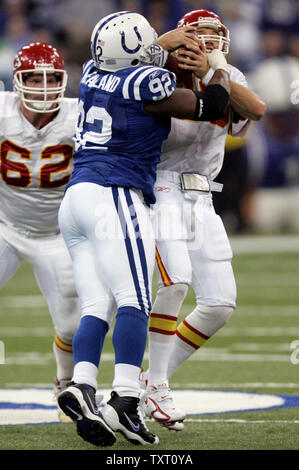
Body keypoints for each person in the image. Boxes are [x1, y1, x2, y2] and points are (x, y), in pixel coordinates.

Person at [57, 10, 232, 447]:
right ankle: (127, 401)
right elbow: (213, 106)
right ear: (138, 49)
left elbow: (130, 63)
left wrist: (159, 45)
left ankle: (81, 383)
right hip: (115, 195)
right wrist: (220, 70)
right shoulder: (145, 83)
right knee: (133, 299)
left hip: (75, 199)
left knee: (97, 303)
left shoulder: (92, 73)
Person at [140, 9, 267, 431]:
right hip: (159, 185)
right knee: (174, 281)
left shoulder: (228, 74)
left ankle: (150, 381)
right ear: (182, 39)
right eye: (199, 36)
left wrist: (219, 71)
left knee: (219, 305)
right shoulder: (158, 72)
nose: (208, 44)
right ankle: (154, 384)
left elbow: (258, 110)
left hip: (202, 195)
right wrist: (164, 51)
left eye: (215, 38)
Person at [0, 41, 81, 421]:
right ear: (18, 81)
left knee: (71, 323)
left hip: (56, 234)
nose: (44, 87)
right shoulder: (2, 112)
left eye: (51, 78)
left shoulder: (78, 116)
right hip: (5, 226)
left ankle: (64, 384)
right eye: (34, 78)